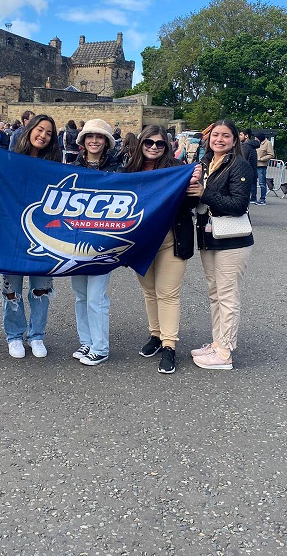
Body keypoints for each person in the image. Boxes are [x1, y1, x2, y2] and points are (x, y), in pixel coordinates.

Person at [122, 125, 202, 375]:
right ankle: (155, 335)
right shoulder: (129, 170)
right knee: (149, 292)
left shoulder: (178, 170)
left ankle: (169, 344)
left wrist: (198, 190)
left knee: (167, 293)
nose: (154, 147)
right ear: (141, 144)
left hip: (171, 237)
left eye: (160, 144)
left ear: (167, 147)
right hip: (142, 240)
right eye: (149, 143)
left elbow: (190, 201)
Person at [191, 119, 254, 370]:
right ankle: (218, 342)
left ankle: (225, 352)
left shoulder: (239, 165)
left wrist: (203, 193)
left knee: (227, 295)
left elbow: (238, 205)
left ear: (234, 140)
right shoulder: (205, 163)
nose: (219, 139)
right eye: (215, 135)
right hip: (209, 235)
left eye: (225, 136)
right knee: (215, 294)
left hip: (233, 239)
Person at [3, 114, 61, 358]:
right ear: (29, 130)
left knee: (41, 289)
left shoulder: (56, 165)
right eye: (40, 129)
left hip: (44, 234)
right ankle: (14, 336)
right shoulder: (9, 159)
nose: (43, 135)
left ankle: (36, 335)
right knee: (11, 290)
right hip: (13, 234)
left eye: (49, 133)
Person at [69, 120, 120, 367]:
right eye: (90, 137)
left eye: (100, 137)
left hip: (103, 242)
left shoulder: (118, 170)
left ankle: (100, 347)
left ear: (107, 142)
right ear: (83, 141)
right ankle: (87, 341)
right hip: (76, 240)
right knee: (80, 295)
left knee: (95, 297)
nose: (94, 141)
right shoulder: (71, 167)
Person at [239, 128, 259, 204]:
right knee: (253, 185)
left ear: (246, 136)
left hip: (246, 171)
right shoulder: (251, 145)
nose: (239, 136)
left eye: (241, 135)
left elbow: (243, 160)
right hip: (252, 170)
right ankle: (253, 197)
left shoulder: (246, 146)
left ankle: (251, 198)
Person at [255, 130, 274, 204]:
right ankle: (253, 197)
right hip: (254, 165)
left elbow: (271, 154)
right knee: (253, 182)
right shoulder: (257, 143)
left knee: (262, 183)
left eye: (256, 138)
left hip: (261, 166)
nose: (255, 139)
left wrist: (261, 159)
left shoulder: (268, 143)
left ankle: (262, 199)